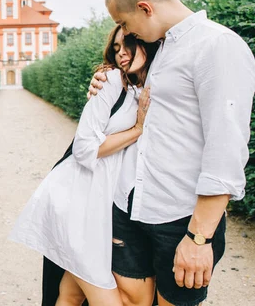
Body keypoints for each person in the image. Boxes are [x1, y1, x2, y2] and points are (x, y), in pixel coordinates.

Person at [87, 0, 255, 306]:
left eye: (123, 22)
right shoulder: (159, 48)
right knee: (131, 300)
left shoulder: (217, 46)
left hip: (178, 218)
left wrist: (198, 238)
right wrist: (104, 83)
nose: (123, 31)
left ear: (145, 8)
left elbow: (226, 149)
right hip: (129, 203)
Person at [9, 24, 159, 306]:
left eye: (126, 44)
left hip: (95, 200)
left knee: (70, 294)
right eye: (115, 49)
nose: (121, 54)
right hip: (77, 202)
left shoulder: (142, 88)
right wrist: (137, 130)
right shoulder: (113, 80)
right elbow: (84, 148)